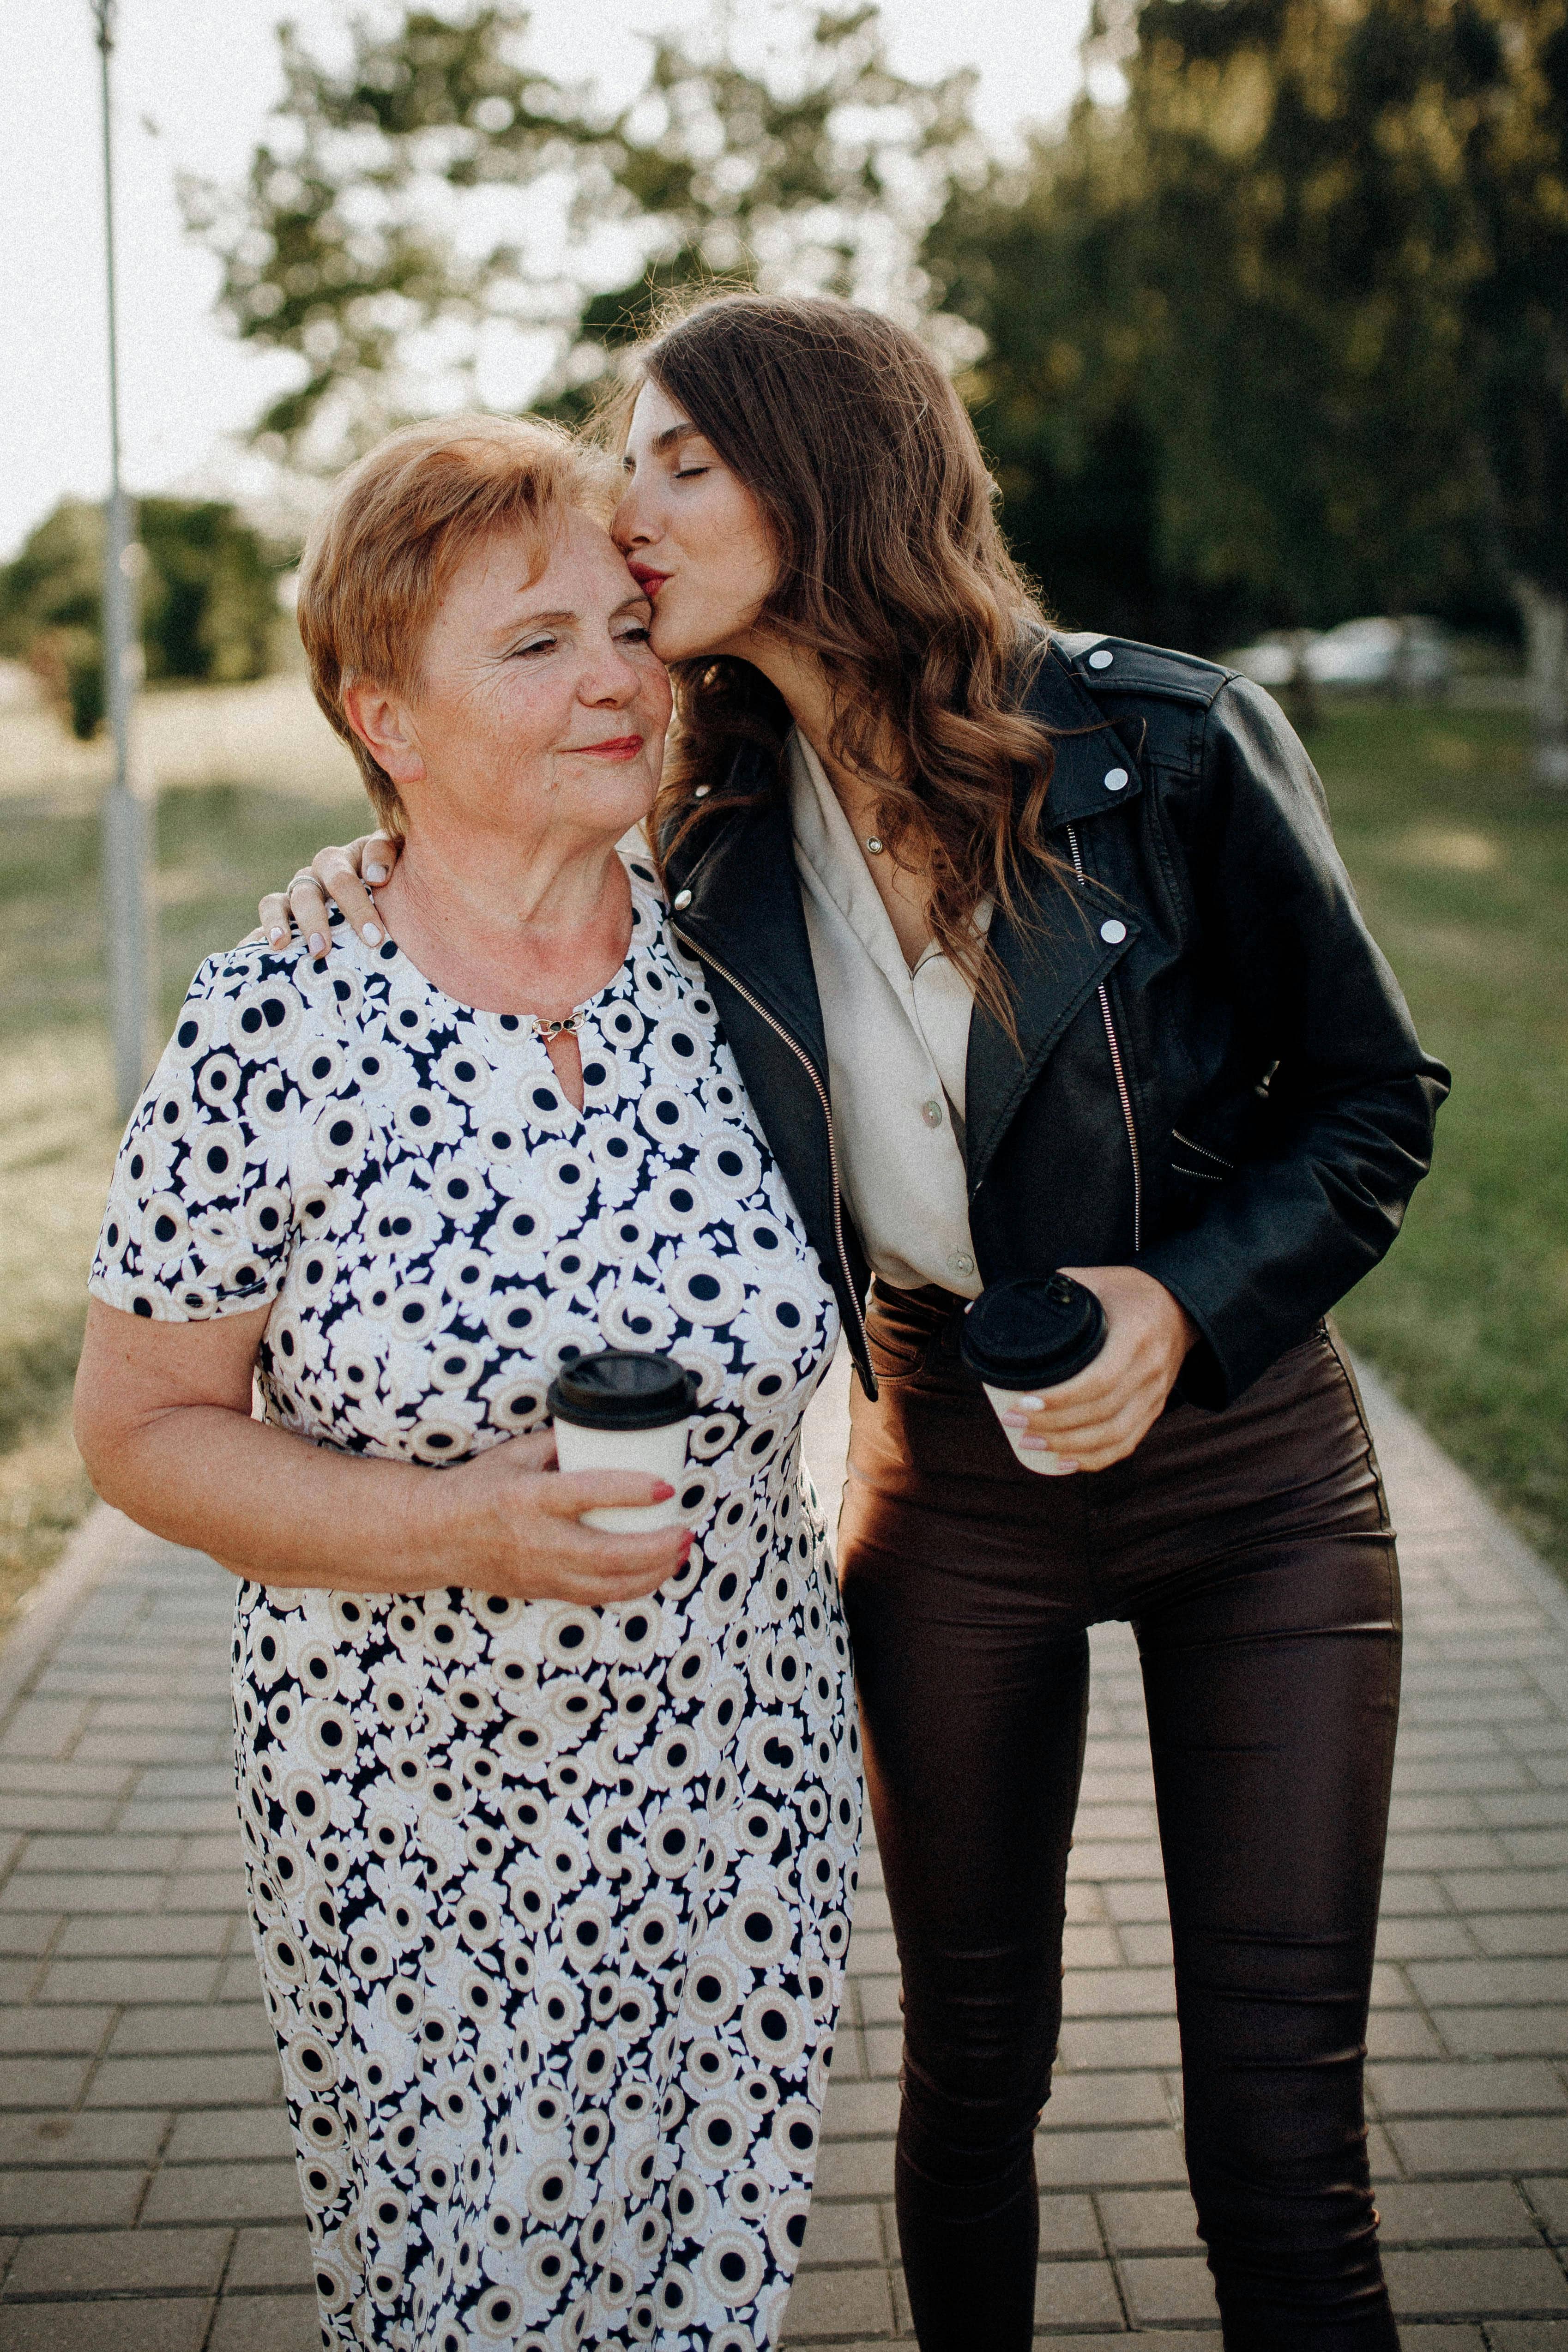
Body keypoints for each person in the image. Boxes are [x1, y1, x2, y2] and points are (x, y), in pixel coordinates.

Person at [268, 295, 1448, 2352]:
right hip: (947, 1486)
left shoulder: (1171, 743)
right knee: (971, 2075)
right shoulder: (710, 822)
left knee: (1279, 2130)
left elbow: (1374, 1098)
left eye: (681, 461)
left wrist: (1186, 1301)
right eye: (630, 459)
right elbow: (487, 832)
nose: (627, 509)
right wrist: (354, 879)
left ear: (828, 473)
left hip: (1255, 1485)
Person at [75, 411, 862, 2352]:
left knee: (703, 2298)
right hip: (412, 1817)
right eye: (535, 643)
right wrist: (452, 1525)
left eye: (627, 628)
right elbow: (138, 1428)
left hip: (740, 1795)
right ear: (387, 720)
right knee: (471, 2306)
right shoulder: (278, 1014)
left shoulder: (749, 964)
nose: (617, 678)